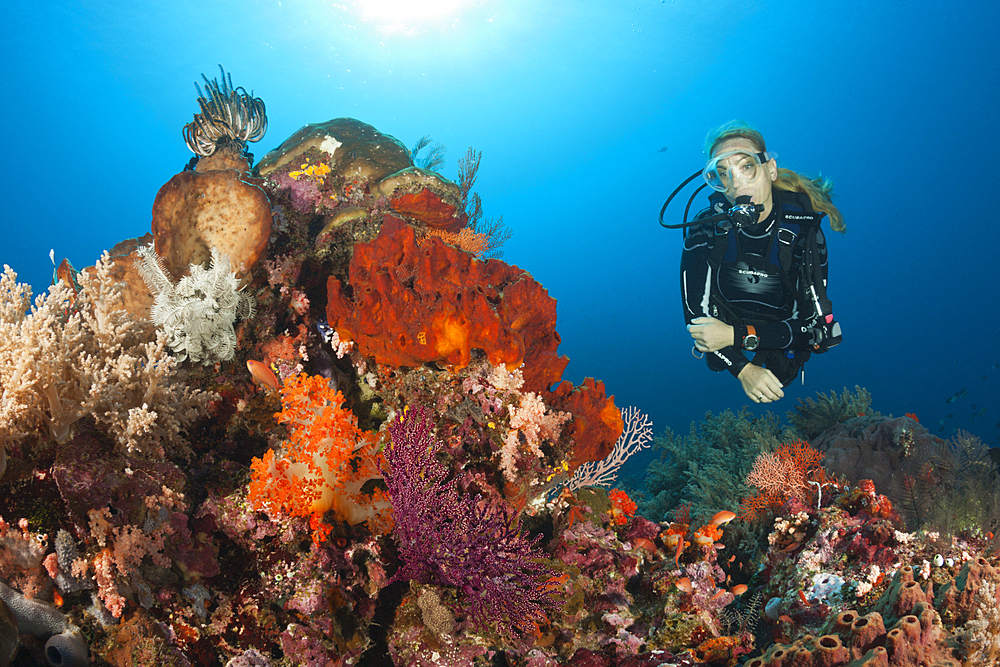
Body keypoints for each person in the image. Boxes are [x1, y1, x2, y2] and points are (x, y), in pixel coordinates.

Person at [680, 121, 845, 403]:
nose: (737, 183)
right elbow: (696, 320)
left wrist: (736, 336)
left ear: (770, 169)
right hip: (726, 320)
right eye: (723, 174)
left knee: (785, 371)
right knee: (715, 360)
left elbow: (816, 328)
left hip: (777, 327)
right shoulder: (706, 226)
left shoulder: (802, 228)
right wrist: (742, 368)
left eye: (747, 166)